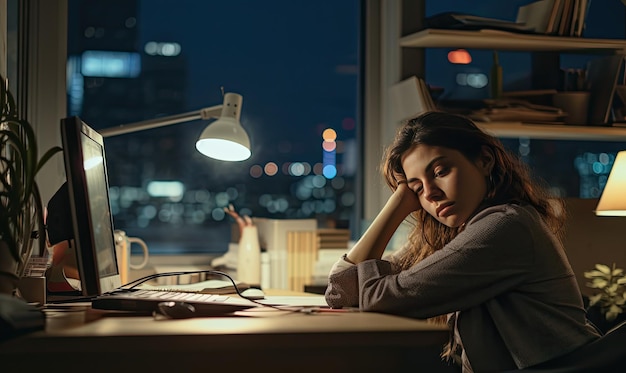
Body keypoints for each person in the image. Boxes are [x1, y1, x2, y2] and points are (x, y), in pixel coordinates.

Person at [325, 111, 601, 372]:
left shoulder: (504, 226)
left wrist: (396, 208)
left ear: (484, 160)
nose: (430, 194)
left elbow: (378, 300)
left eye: (440, 171)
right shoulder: (453, 233)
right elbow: (340, 292)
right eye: (417, 188)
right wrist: (396, 205)